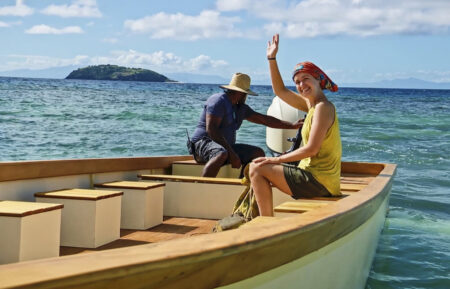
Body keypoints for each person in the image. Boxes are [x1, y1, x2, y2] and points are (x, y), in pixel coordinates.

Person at [249, 34, 342, 216]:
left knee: (257, 168)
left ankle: (265, 222)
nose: (301, 85)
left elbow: (311, 150)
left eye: (305, 78)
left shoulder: (323, 107)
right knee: (256, 165)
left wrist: (274, 159)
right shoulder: (312, 105)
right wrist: (272, 58)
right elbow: (280, 91)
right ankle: (264, 219)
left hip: (319, 181)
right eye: (297, 82)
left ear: (318, 80)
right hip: (312, 176)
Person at [187, 72, 303, 178]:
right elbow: (211, 130)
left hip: (225, 148)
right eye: (245, 94)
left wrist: (292, 125)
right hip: (201, 145)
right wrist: (232, 154)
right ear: (240, 93)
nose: (246, 97)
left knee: (258, 153)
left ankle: (242, 182)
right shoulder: (218, 101)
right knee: (221, 153)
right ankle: (203, 185)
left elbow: (265, 120)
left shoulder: (240, 108)